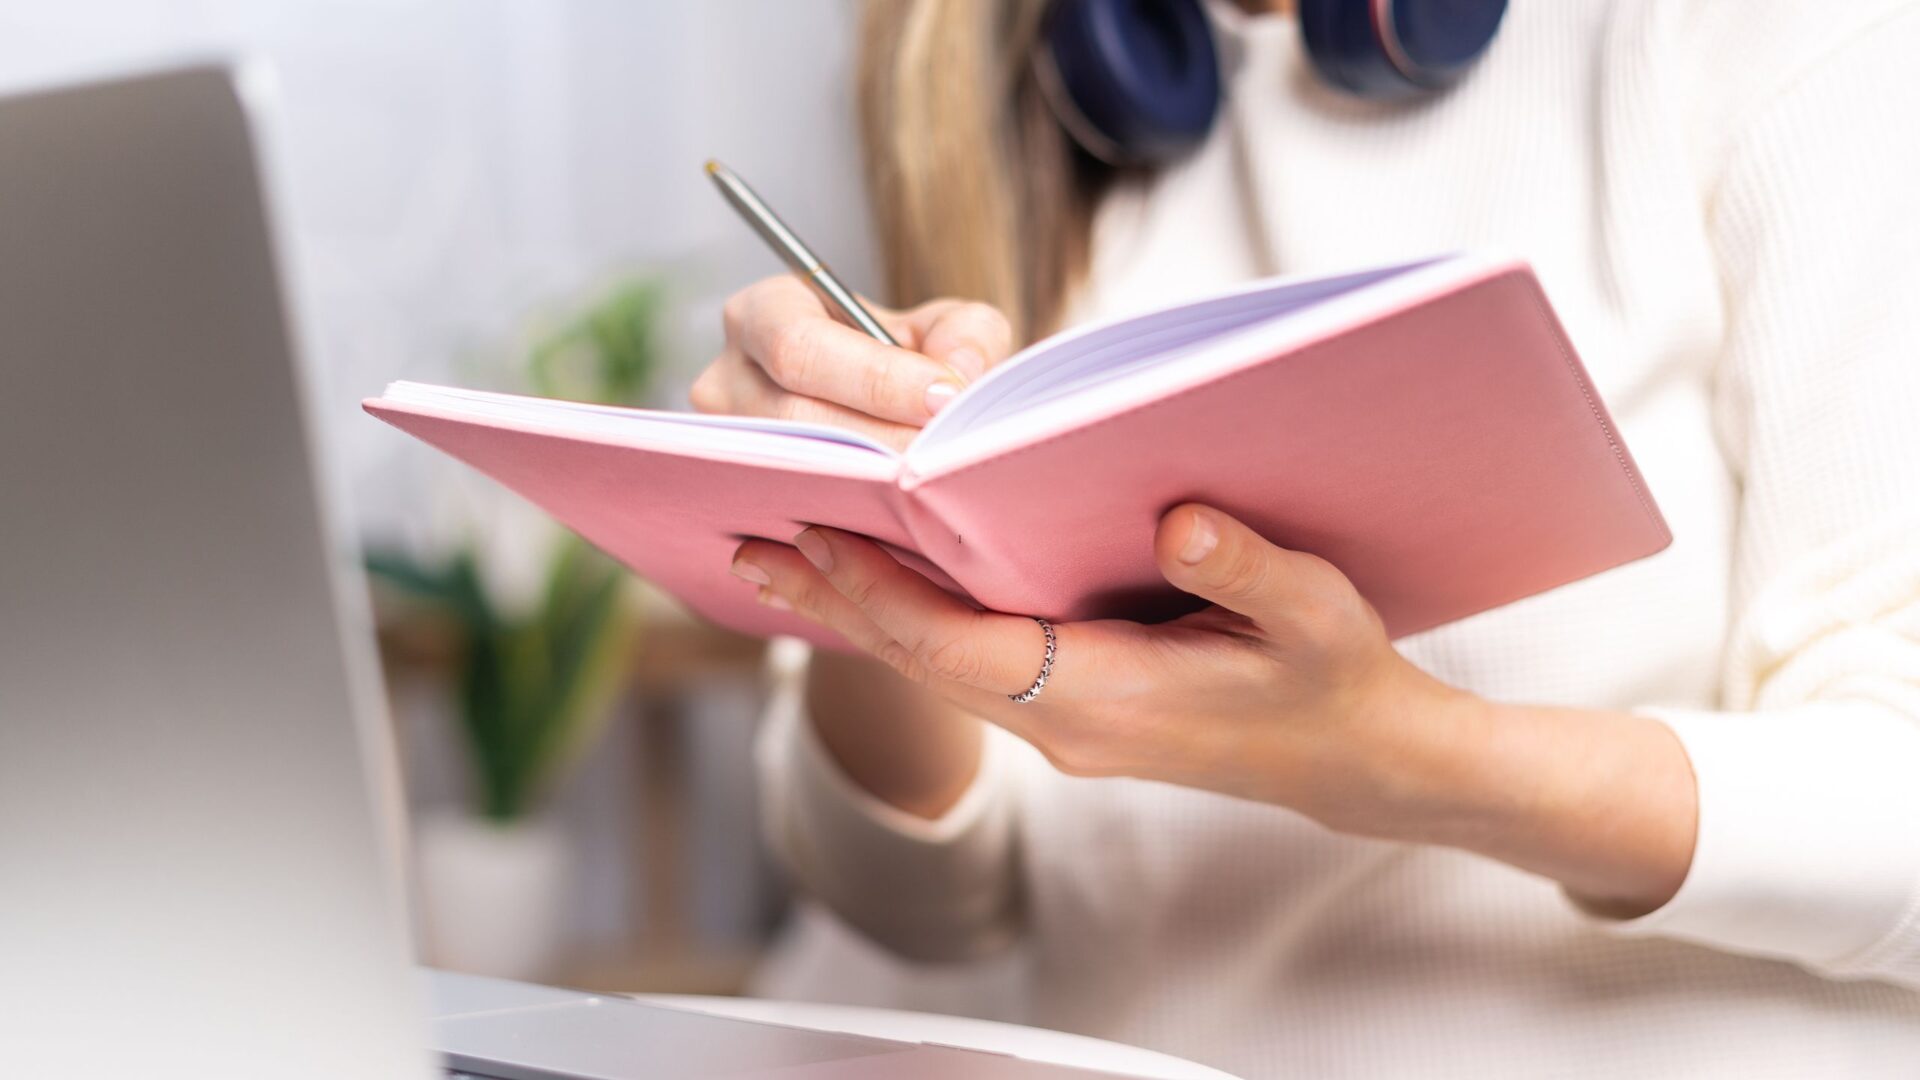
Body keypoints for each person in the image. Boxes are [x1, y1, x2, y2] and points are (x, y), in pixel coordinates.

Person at [693, 0, 1920, 1075]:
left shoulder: (1766, 34)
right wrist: (852, 544)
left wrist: (1403, 757)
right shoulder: (1025, 98)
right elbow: (921, 909)